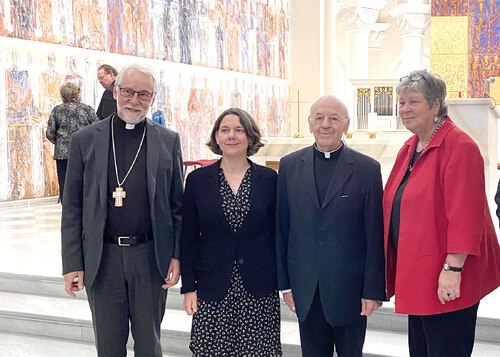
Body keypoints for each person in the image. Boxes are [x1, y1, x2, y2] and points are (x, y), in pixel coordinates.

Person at [61, 63, 184, 356]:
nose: (134, 100)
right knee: (108, 345)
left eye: (144, 95)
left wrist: (177, 254)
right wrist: (72, 262)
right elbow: (73, 207)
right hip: (103, 259)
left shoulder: (167, 141)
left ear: (152, 99)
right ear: (116, 92)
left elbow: (178, 205)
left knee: (149, 345)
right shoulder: (85, 140)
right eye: (128, 92)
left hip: (150, 257)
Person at [383, 69, 500, 357]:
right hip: (417, 274)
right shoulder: (410, 147)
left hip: (445, 278)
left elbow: (466, 216)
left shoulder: (460, 147)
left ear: (435, 106)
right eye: (401, 103)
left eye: (413, 102)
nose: (405, 109)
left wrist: (453, 269)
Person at [276, 95, 386, 357]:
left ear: (346, 124)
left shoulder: (366, 169)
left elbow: (374, 233)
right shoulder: (290, 166)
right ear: (310, 122)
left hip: (350, 288)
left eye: (334, 118)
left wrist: (372, 289)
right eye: (319, 118)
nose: (326, 124)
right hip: (306, 288)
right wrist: (286, 285)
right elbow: (282, 228)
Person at [180, 108, 282, 356]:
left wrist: (286, 283)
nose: (231, 136)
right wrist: (189, 288)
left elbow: (279, 234)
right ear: (216, 137)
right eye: (224, 130)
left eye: (239, 130)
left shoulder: (270, 180)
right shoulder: (198, 181)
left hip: (258, 287)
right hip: (212, 286)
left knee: (258, 351)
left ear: (250, 136)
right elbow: (189, 238)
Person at [46, 82, 98, 202]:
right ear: (77, 93)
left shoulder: (56, 110)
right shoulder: (87, 109)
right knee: (84, 182)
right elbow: (97, 129)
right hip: (84, 152)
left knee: (65, 183)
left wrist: (60, 143)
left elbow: (50, 133)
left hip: (62, 154)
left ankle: (67, 210)